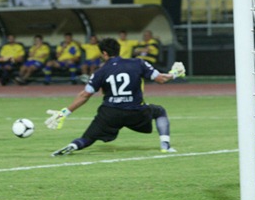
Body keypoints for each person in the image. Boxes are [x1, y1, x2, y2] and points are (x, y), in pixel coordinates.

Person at [46, 38, 186, 156]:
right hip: (135, 111)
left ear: (104, 53)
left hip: (109, 113)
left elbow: (85, 95)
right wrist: (174, 73)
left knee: (88, 138)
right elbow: (161, 79)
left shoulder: (100, 71)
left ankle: (74, 146)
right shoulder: (138, 63)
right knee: (159, 111)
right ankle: (165, 146)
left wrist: (64, 112)